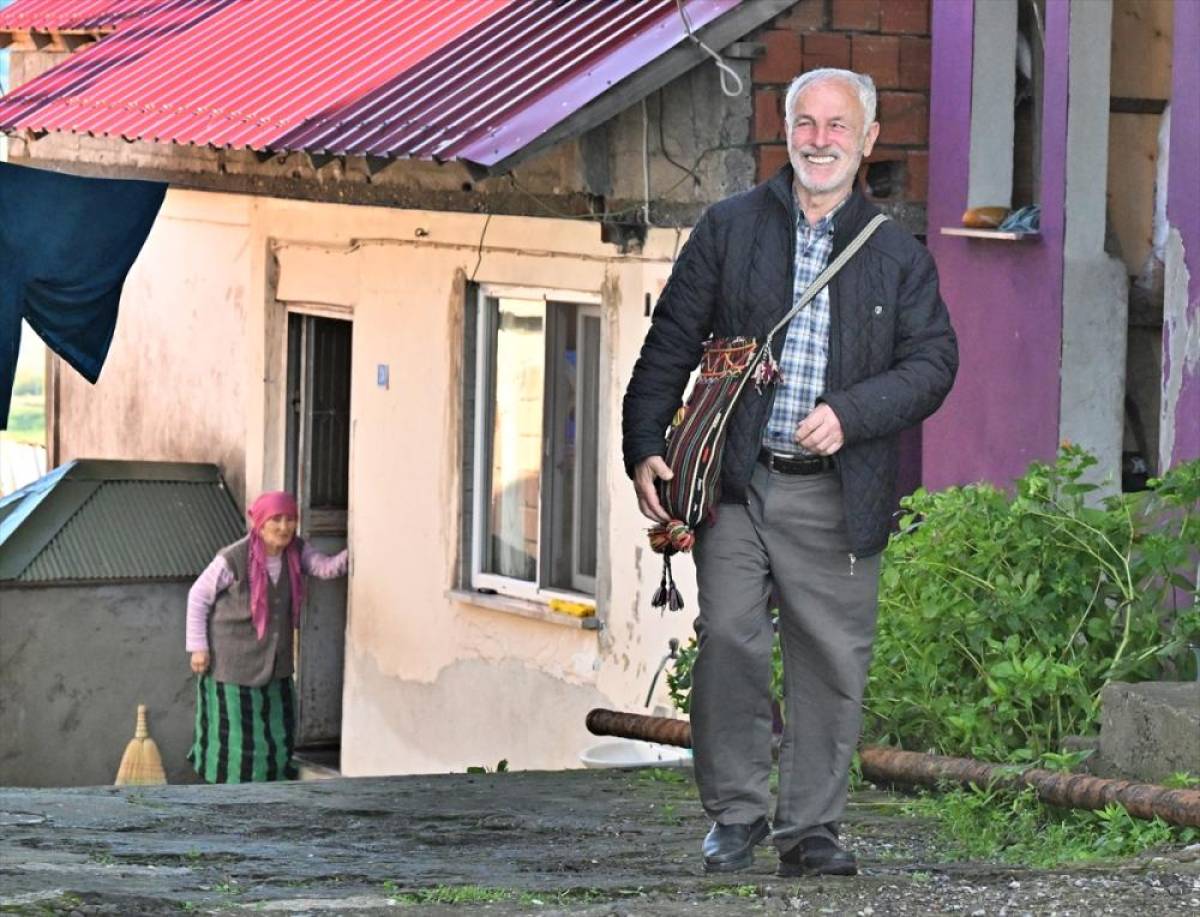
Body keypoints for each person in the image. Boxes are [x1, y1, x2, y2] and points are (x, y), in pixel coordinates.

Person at [622, 68, 957, 877]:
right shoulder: (729, 227)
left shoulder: (898, 255)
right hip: (738, 483)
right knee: (730, 638)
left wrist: (853, 412)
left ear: (868, 140)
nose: (819, 139)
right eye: (806, 122)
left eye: (838, 125)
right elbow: (670, 340)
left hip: (837, 491)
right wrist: (643, 443)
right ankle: (736, 814)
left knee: (830, 659)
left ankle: (810, 830)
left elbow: (934, 364)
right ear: (785, 132)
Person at [185, 491, 348, 783]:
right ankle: (232, 790)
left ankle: (271, 787)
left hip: (275, 663)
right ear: (260, 523)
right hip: (232, 664)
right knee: (235, 735)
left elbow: (325, 568)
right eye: (276, 519)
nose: (285, 527)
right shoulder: (233, 558)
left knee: (278, 729)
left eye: (290, 519)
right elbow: (198, 597)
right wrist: (198, 647)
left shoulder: (296, 551)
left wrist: (360, 549)